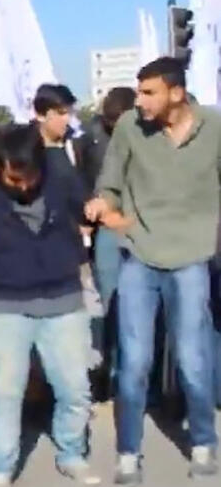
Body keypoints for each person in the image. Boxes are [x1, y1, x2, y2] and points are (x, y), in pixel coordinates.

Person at [86, 57, 221, 484]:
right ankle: (129, 453)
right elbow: (109, 181)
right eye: (138, 92)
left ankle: (202, 442)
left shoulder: (214, 128)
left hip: (192, 257)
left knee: (193, 358)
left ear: (176, 93)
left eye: (149, 93)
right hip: (139, 257)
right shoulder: (129, 127)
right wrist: (102, 203)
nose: (140, 101)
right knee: (135, 361)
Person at [0, 125, 100, 487]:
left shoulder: (60, 174)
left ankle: (72, 453)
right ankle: (0, 467)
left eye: (28, 177)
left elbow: (87, 210)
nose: (20, 186)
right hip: (7, 299)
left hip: (62, 296)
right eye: (12, 178)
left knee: (74, 388)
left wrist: (97, 209)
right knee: (4, 388)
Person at [88, 87, 137, 401]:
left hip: (138, 226)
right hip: (106, 228)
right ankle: (114, 372)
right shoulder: (92, 139)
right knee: (112, 304)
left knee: (140, 306)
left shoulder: (148, 137)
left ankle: (138, 374)